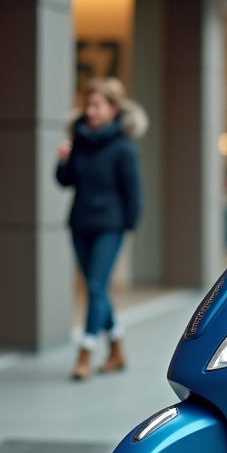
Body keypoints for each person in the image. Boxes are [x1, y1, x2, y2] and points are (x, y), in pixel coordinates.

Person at [55, 77, 146, 380]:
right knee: (98, 289)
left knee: (94, 287)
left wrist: (127, 226)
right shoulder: (78, 140)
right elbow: (66, 180)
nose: (90, 111)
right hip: (80, 224)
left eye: (97, 105)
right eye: (87, 105)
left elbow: (133, 192)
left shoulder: (124, 147)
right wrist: (62, 161)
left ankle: (84, 354)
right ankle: (118, 350)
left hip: (111, 226)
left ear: (113, 108)